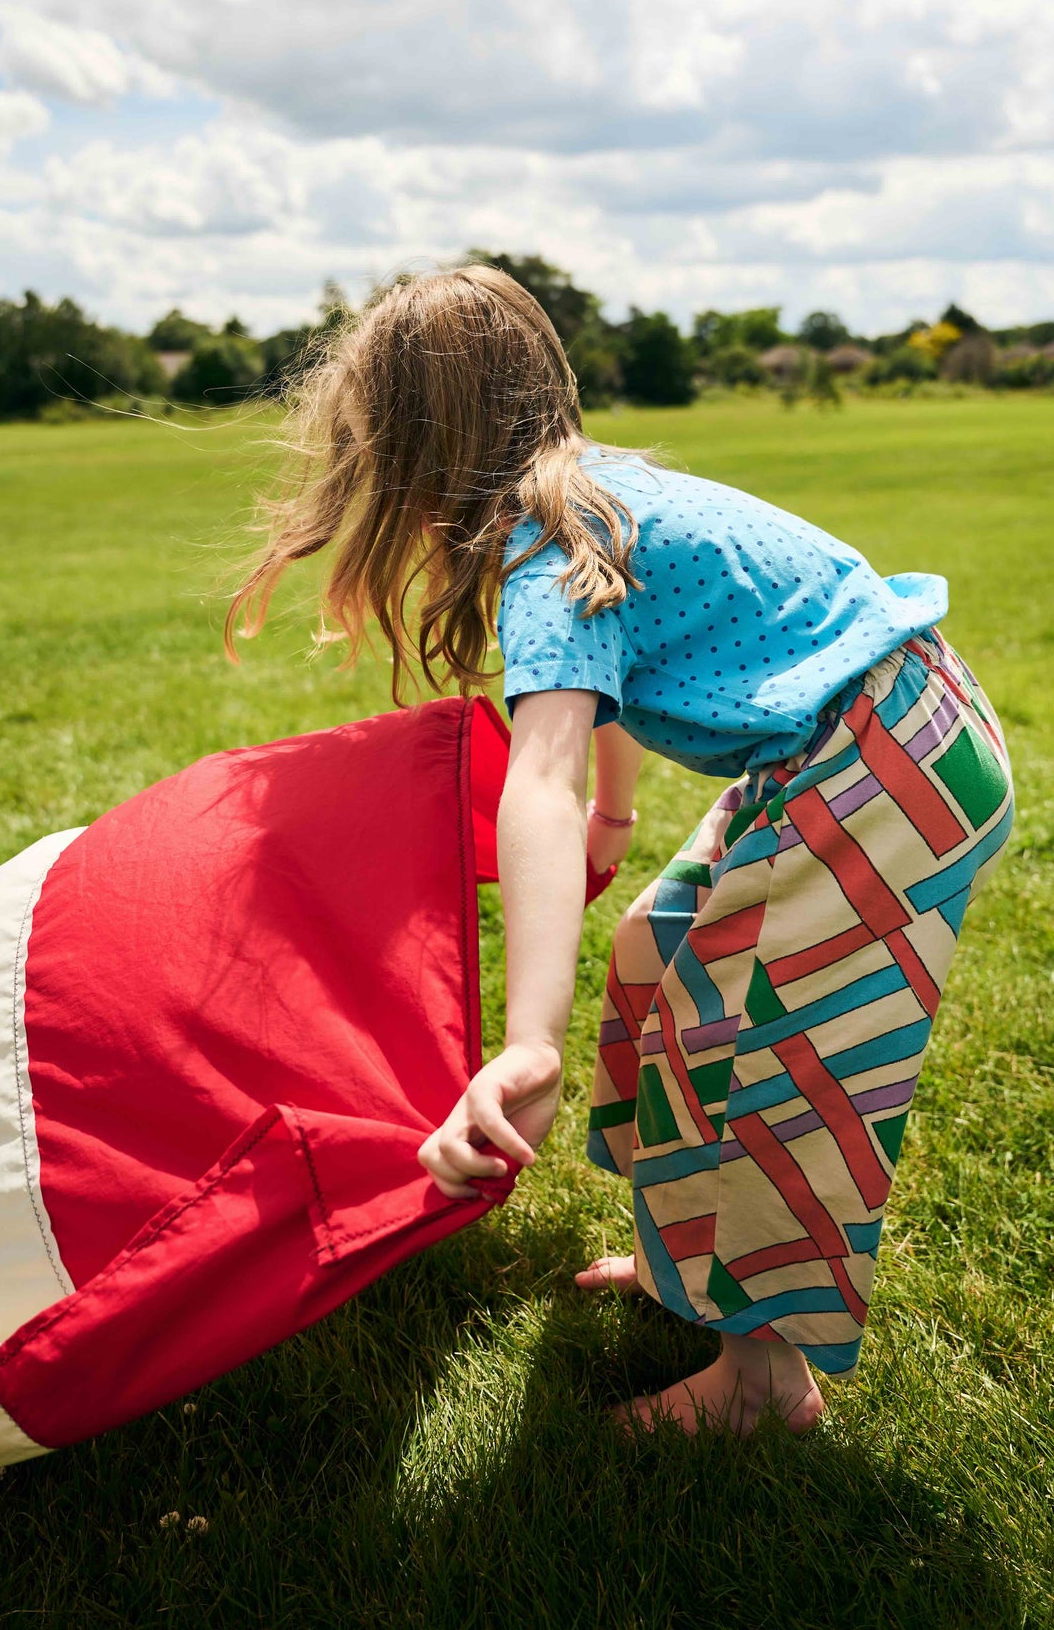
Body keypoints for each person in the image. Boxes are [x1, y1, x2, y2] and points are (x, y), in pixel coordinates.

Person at [228, 264, 1014, 1436]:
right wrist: (617, 818)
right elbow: (629, 674)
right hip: (881, 732)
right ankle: (683, 1264)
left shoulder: (552, 550)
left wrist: (528, 1040)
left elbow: (534, 771)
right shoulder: (592, 501)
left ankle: (763, 1379)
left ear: (415, 443)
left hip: (879, 759)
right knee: (660, 952)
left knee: (755, 1041)